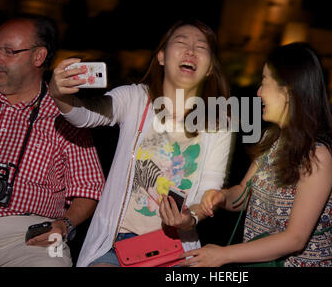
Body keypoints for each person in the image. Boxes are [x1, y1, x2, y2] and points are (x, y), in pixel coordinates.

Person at [49, 20, 233, 267]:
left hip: (176, 250)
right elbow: (86, 115)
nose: (190, 51)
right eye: (180, 42)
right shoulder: (135, 98)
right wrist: (60, 95)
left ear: (210, 67)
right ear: (161, 57)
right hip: (116, 245)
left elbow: (210, 189)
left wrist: (191, 219)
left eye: (201, 47)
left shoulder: (220, 122)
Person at [181, 42, 332, 267]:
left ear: (288, 89)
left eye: (264, 81)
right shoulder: (271, 140)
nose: (258, 92)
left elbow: (295, 239)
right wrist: (222, 197)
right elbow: (244, 194)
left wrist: (224, 255)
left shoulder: (318, 156)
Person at [0, 15, 105, 267]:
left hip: (25, 238)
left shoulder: (67, 114)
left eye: (9, 51)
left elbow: (89, 188)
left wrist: (65, 224)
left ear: (38, 57)